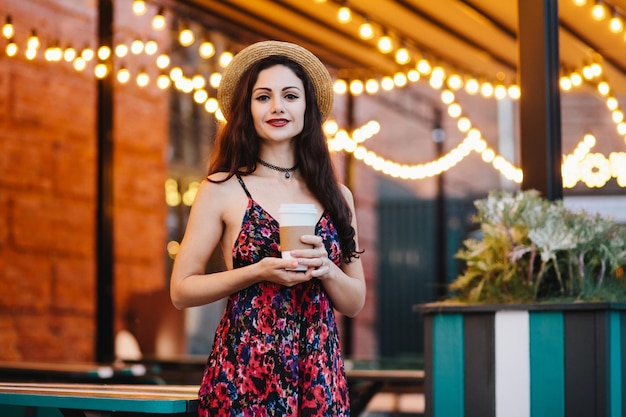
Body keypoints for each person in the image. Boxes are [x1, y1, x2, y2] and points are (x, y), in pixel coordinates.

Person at [169, 40, 366, 416]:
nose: (277, 106)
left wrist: (327, 270)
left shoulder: (339, 195)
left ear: (307, 108)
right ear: (248, 109)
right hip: (245, 373)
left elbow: (354, 302)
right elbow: (181, 290)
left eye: (290, 95)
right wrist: (258, 271)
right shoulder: (222, 188)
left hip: (319, 377)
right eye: (263, 97)